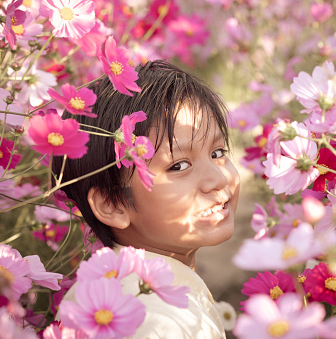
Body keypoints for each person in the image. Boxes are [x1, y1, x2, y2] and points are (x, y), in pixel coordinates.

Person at [53, 60, 240, 338]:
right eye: (178, 166)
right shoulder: (155, 324)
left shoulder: (117, 296)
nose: (219, 179)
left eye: (217, 152)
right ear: (111, 204)